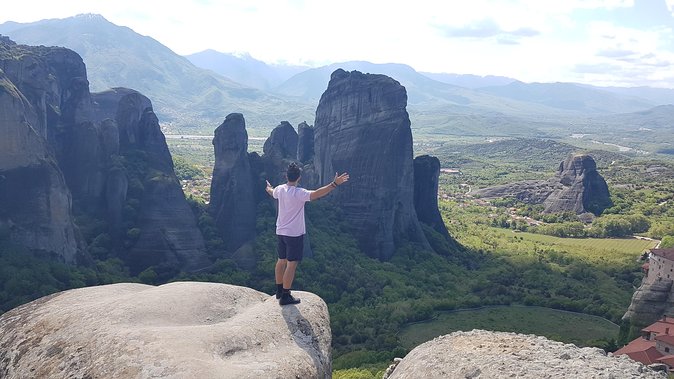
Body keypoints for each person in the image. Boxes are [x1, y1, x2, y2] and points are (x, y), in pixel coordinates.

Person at [266, 163, 349, 305]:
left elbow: (271, 191)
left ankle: (279, 290)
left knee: (281, 260)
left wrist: (268, 187)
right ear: (299, 177)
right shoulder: (299, 193)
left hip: (281, 231)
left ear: (287, 176)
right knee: (291, 264)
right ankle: (285, 295)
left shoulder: (280, 189)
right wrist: (334, 184)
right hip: (294, 234)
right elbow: (317, 193)